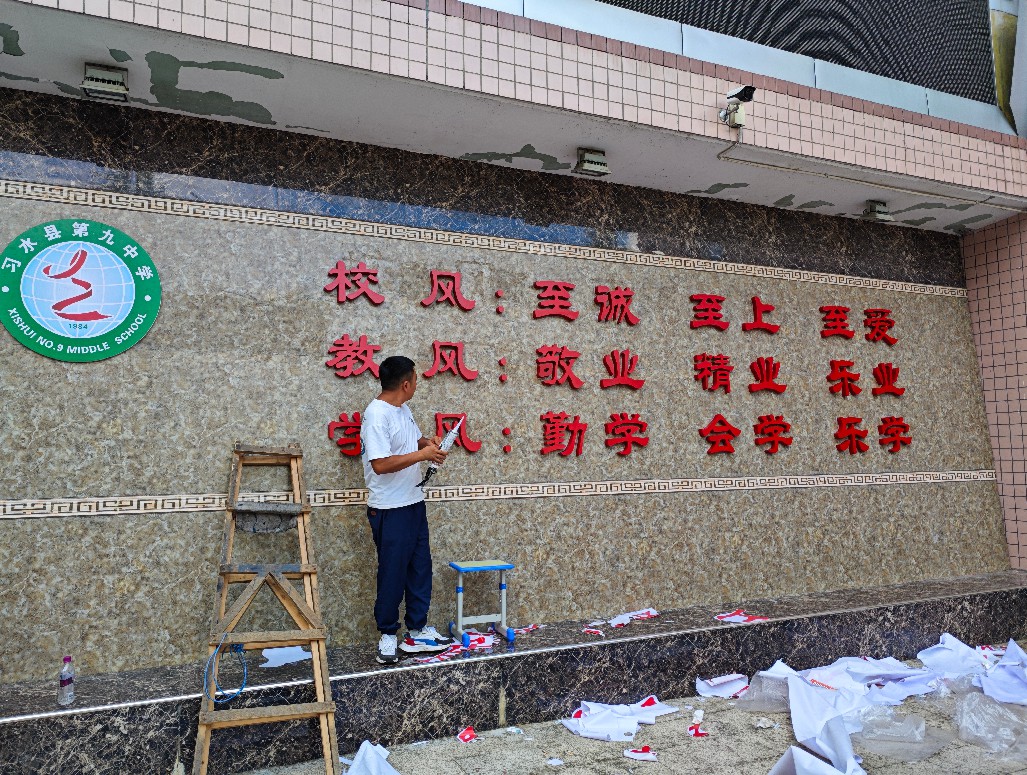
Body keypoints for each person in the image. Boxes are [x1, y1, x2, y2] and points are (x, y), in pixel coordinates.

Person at [360, 355, 454, 664]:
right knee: (392, 573)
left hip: (413, 503)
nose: (416, 384)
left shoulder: (403, 409)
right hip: (389, 509)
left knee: (419, 568)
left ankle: (417, 630)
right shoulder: (376, 415)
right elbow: (380, 464)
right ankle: (388, 635)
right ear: (405, 383)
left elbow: (413, 441)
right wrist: (422, 455)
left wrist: (430, 444)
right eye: (415, 379)